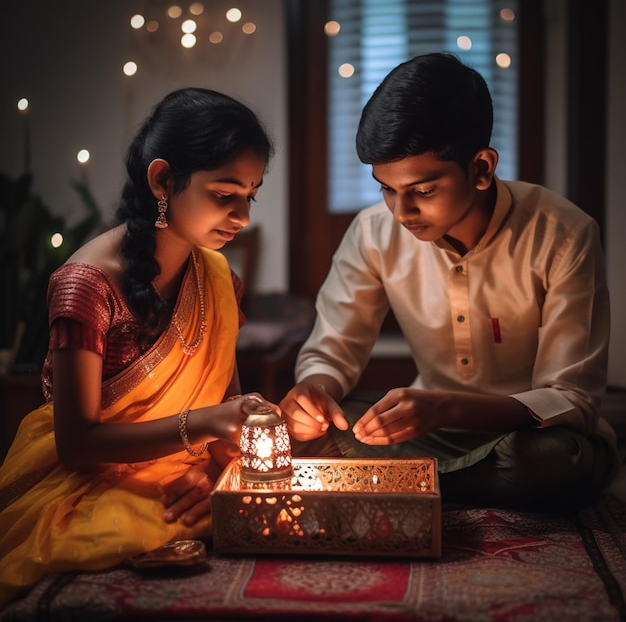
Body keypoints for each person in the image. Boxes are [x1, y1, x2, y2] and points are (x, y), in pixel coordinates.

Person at [279, 52, 619, 510]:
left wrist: (449, 406)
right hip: (430, 433)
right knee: (308, 435)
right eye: (387, 188)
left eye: (422, 191)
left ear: (481, 169)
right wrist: (314, 393)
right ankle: (434, 483)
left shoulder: (563, 233)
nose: (401, 213)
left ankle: (401, 484)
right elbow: (333, 348)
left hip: (527, 436)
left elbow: (572, 398)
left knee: (549, 459)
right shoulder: (371, 231)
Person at [0, 87, 274, 605]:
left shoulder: (217, 278)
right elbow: (77, 443)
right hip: (84, 480)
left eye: (250, 195)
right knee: (122, 530)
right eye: (224, 194)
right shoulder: (87, 283)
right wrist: (207, 426)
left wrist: (213, 470)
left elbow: (225, 414)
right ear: (163, 179)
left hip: (179, 467)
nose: (242, 215)